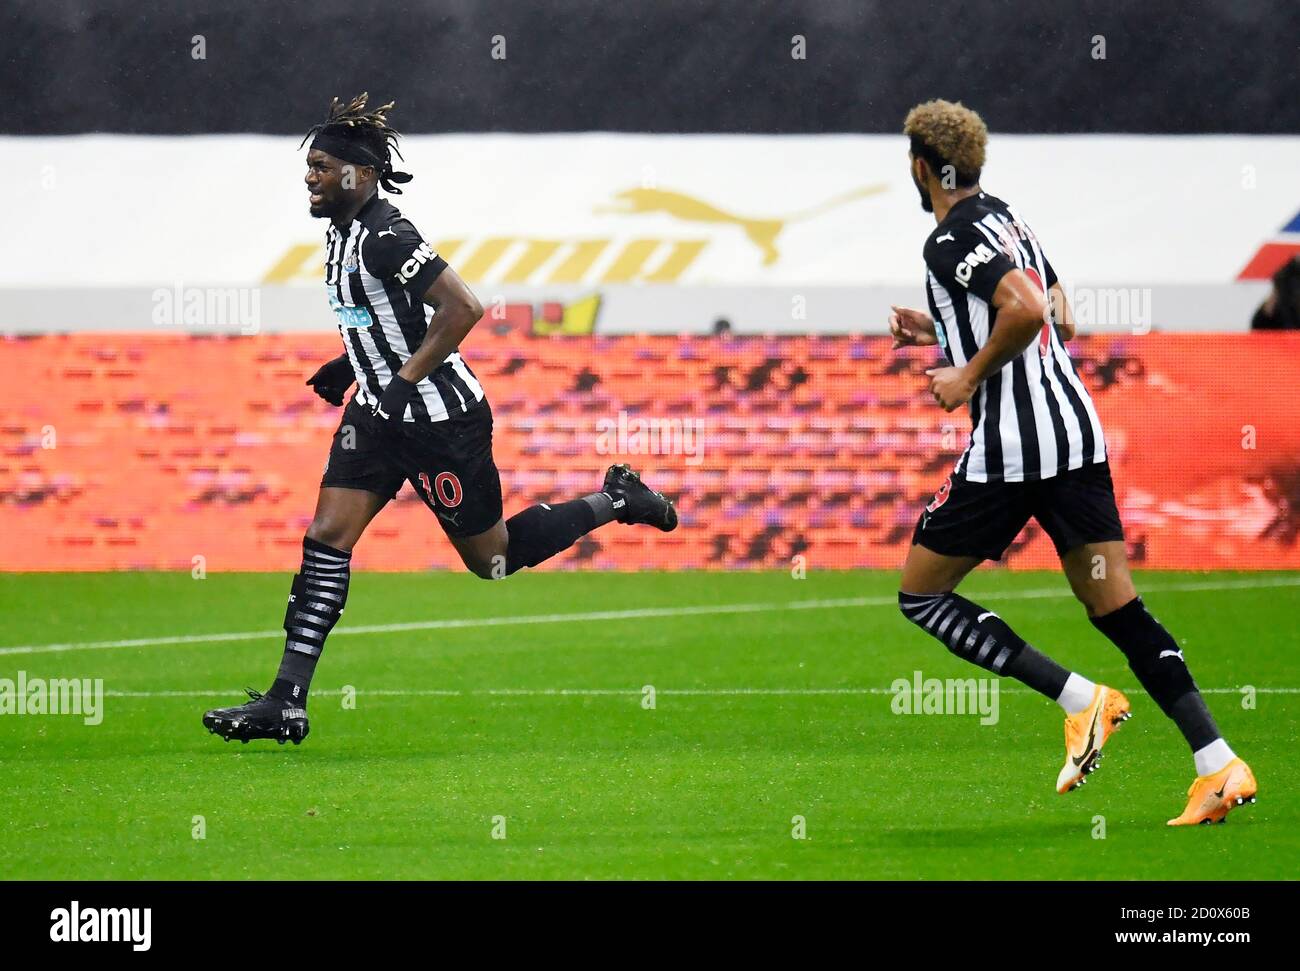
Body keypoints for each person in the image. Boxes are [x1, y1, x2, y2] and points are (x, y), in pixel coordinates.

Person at [202, 94, 677, 745]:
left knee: (493, 561)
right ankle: (287, 699)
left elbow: (462, 307)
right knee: (327, 537)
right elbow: (389, 319)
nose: (309, 177)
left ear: (358, 175)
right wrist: (352, 364)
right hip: (376, 417)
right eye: (308, 166)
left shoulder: (387, 234)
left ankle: (616, 498)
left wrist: (400, 381)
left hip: (440, 423)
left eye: (320, 165)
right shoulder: (340, 236)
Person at [889, 99, 1255, 826]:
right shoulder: (1007, 219)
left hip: (1016, 448)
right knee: (1116, 606)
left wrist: (965, 376)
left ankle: (1081, 699)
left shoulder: (949, 236)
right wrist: (942, 328)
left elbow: (1025, 310)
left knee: (921, 594)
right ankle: (1217, 763)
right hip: (1075, 434)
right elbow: (1059, 309)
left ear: (923, 167)